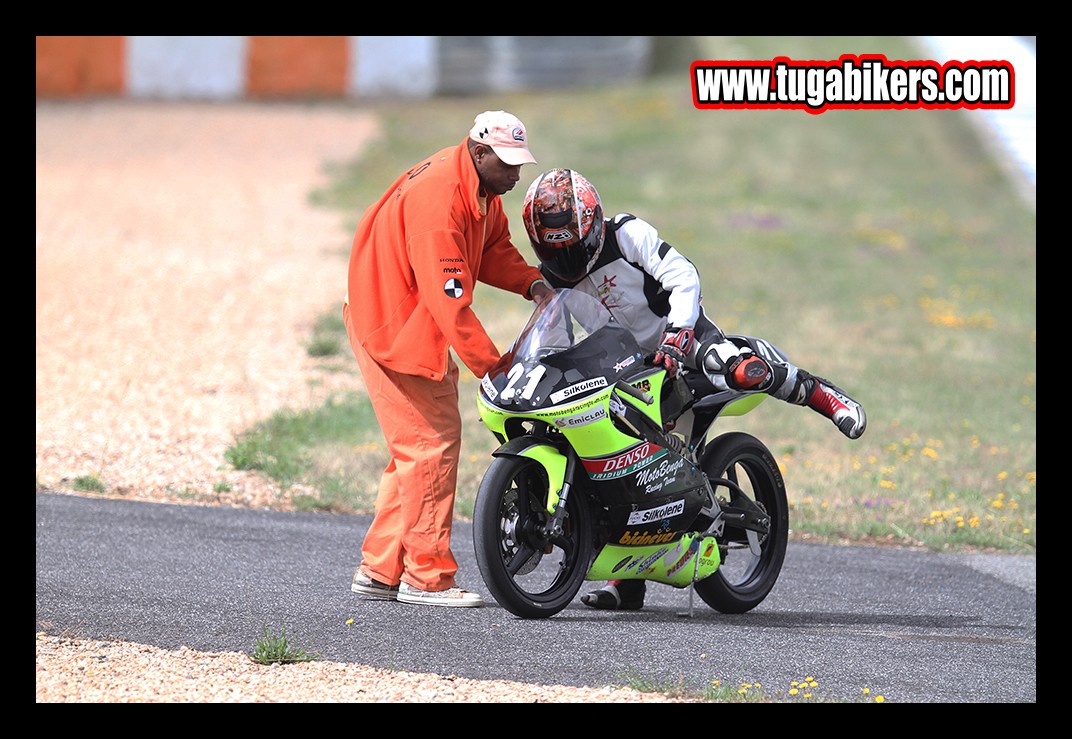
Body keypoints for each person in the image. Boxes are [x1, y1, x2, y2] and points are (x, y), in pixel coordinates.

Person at [520, 168, 866, 611]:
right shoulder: (549, 275)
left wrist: (680, 331)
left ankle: (822, 395)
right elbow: (554, 331)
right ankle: (626, 583)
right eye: (554, 248)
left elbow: (682, 273)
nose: (564, 257)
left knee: (740, 370)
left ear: (591, 222)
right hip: (622, 364)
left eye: (571, 245)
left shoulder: (624, 233)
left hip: (683, 339)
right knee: (606, 463)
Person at [344, 111, 553, 608]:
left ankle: (380, 569)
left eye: (519, 164)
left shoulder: (479, 189)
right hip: (394, 322)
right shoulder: (440, 200)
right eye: (506, 164)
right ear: (479, 153)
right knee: (432, 446)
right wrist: (493, 366)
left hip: (394, 310)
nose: (515, 175)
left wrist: (532, 283)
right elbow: (449, 298)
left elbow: (493, 249)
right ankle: (427, 577)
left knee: (416, 448)